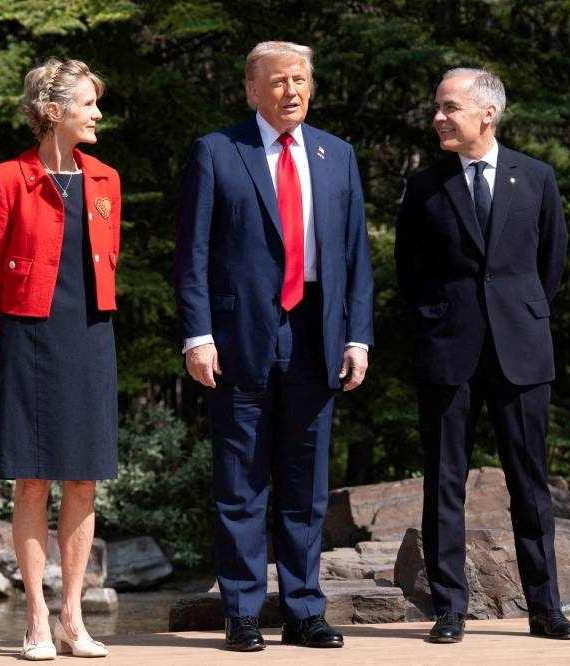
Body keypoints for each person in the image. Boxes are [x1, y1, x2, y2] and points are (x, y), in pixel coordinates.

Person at [173, 41, 373, 651]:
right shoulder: (217, 151)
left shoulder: (336, 155)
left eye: (301, 80)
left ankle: (305, 610)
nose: (292, 91)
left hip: (317, 331)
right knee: (240, 480)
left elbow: (355, 256)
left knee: (305, 483)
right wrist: (197, 335)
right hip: (238, 336)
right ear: (251, 90)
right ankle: (240, 611)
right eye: (279, 81)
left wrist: (358, 336)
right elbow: (193, 254)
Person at [395, 68, 570, 644]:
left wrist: (517, 315)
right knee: (443, 483)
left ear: (487, 114)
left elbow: (550, 262)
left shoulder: (538, 177)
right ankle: (450, 609)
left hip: (521, 350)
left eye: (449, 107)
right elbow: (409, 271)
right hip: (447, 349)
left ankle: (545, 607)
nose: (438, 118)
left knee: (529, 483)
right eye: (436, 108)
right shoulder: (425, 186)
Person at [0, 57, 120, 661]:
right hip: (27, 340)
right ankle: (34, 616)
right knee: (33, 482)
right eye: (88, 103)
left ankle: (72, 618)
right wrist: (6, 347)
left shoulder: (107, 178)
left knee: (83, 480)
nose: (97, 114)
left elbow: (106, 265)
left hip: (90, 339)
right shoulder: (5, 178)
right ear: (53, 111)